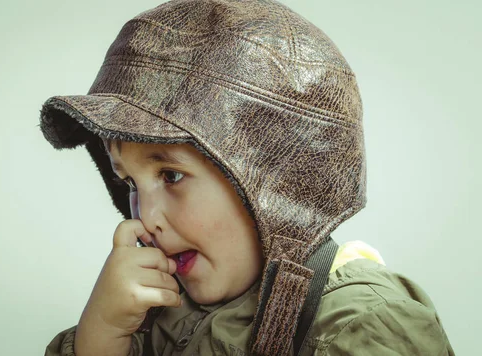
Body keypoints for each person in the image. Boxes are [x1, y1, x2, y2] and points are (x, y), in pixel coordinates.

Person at [37, 0, 454, 355]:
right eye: (130, 183)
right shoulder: (156, 315)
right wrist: (103, 334)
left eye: (171, 175)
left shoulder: (363, 323)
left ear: (274, 181)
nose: (145, 218)